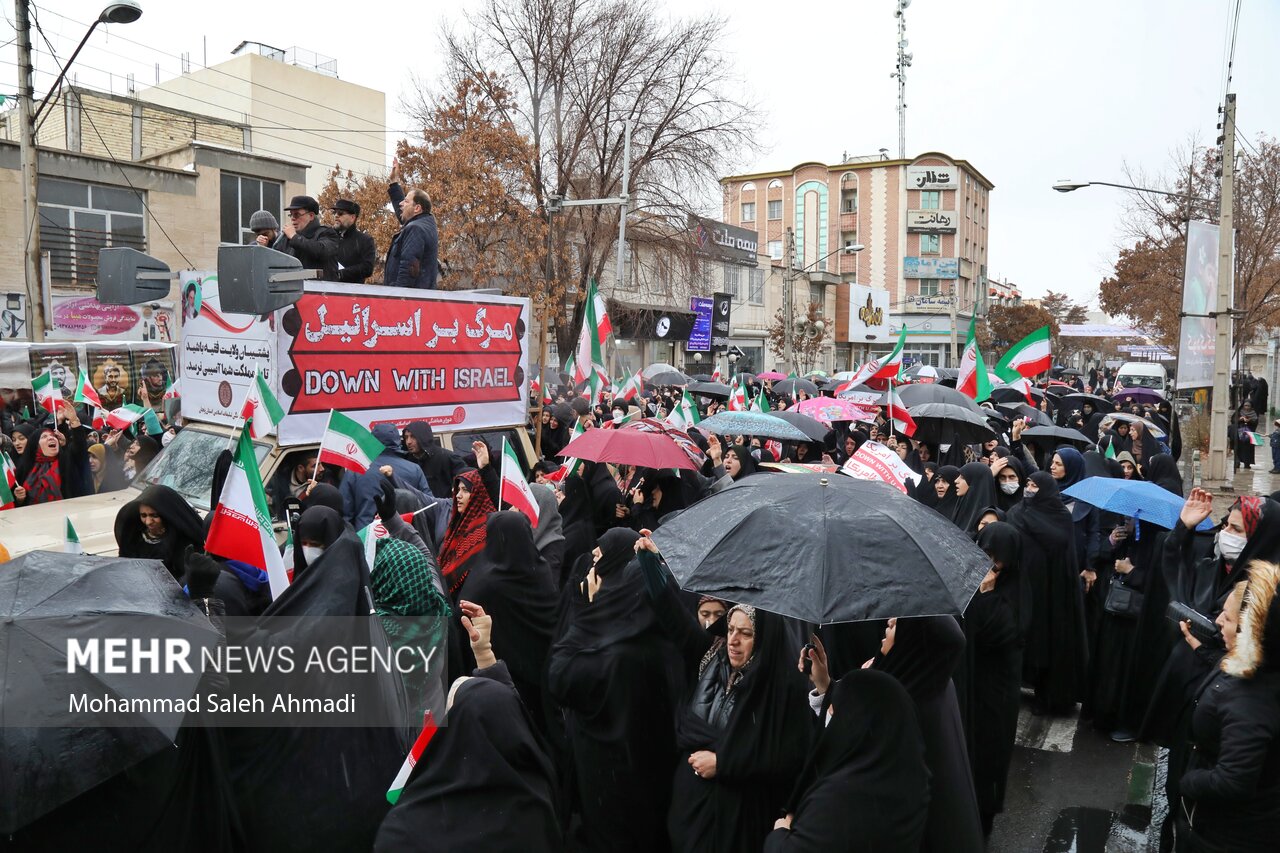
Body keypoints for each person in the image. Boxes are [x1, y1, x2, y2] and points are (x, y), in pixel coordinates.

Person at [634, 534, 813, 853]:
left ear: (762, 641)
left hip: (738, 815)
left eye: (745, 634)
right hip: (691, 806)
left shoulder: (777, 686)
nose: (733, 640)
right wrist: (650, 561)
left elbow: (787, 756)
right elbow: (671, 612)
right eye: (731, 629)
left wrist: (726, 762)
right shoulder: (709, 655)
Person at [373, 602, 561, 853]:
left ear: (456, 738)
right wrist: (485, 654)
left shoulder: (404, 833)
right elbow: (507, 716)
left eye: (452, 715)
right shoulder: (537, 805)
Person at [547, 528, 679, 853]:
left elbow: (560, 676)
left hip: (610, 787)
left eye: (599, 559)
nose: (592, 569)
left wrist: (586, 613)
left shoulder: (617, 653)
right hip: (646, 788)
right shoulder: (658, 638)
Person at [763, 670, 930, 853]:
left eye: (836, 711)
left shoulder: (837, 798)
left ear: (854, 720)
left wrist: (780, 832)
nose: (831, 717)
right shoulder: (911, 783)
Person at [1176, 567, 1280, 852]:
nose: (1219, 621)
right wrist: (1200, 648)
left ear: (1253, 633)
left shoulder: (1251, 704)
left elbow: (1232, 783)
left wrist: (1189, 781)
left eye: (1229, 618)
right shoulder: (1259, 667)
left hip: (1221, 836)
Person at [453, 512, 559, 737]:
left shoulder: (486, 582)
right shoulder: (539, 569)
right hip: (542, 678)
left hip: (501, 680)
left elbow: (460, 622)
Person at [965, 522, 1029, 836]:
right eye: (985, 554)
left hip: (997, 690)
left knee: (989, 755)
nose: (990, 564)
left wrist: (987, 596)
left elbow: (999, 634)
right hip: (970, 682)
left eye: (997, 557)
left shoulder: (1016, 590)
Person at [1007, 471, 1087, 715]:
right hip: (1020, 585)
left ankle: (1047, 695)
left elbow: (1061, 545)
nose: (1029, 488)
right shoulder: (1016, 512)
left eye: (1035, 485)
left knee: (1047, 641)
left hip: (1050, 591)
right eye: (1028, 483)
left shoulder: (1059, 516)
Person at [339, 423, 436, 531]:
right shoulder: (414, 469)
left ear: (371, 442)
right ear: (398, 441)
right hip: (407, 538)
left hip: (367, 538)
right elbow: (428, 506)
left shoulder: (355, 470)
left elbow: (345, 513)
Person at [114, 484, 206, 579]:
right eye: (143, 515)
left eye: (154, 516)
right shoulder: (134, 537)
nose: (148, 522)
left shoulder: (183, 541)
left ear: (167, 515)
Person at [385, 161, 440, 289]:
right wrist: (394, 183)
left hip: (407, 302)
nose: (401, 204)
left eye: (406, 201)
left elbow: (408, 268)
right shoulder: (423, 223)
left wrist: (398, 298)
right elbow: (403, 214)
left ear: (417, 208)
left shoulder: (415, 229)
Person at [279, 195, 340, 280]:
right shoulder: (287, 238)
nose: (293, 219)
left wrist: (294, 237)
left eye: (297, 215)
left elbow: (321, 251)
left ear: (311, 216)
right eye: (291, 215)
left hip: (320, 290)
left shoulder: (326, 233)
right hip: (293, 289)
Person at [402, 421, 464, 502]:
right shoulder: (406, 461)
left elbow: (467, 482)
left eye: (413, 437)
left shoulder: (447, 458)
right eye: (406, 437)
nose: (408, 442)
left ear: (423, 437)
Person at [329, 199, 376, 283]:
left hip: (351, 292)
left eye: (340, 213)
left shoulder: (365, 240)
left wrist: (341, 274)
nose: (336, 216)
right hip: (326, 290)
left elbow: (367, 268)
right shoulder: (328, 237)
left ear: (352, 217)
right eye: (334, 213)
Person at [951, 461, 999, 538]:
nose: (956, 481)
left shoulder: (988, 517)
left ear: (975, 482)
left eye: (963, 477)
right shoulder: (961, 506)